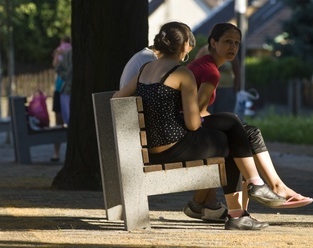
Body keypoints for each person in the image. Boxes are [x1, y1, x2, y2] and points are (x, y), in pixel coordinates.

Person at [113, 21, 286, 230]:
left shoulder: (144, 69)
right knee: (230, 139)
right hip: (172, 146)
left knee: (230, 122)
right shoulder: (181, 73)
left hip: (149, 147)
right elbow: (193, 124)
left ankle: (250, 191)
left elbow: (117, 97)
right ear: (185, 45)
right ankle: (245, 201)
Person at [185, 23, 312, 215]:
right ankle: (267, 192)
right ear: (213, 42)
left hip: (178, 129)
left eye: (236, 43)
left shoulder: (204, 64)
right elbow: (198, 112)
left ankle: (204, 205)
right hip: (185, 134)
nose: (233, 47)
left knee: (242, 135)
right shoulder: (210, 70)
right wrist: (228, 127)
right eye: (227, 41)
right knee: (243, 136)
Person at [194, 44, 240, 113]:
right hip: (207, 89)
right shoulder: (205, 50)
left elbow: (237, 70)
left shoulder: (229, 51)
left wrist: (235, 89)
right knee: (207, 116)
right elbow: (196, 68)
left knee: (224, 117)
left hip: (226, 90)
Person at [50, 36, 72, 162]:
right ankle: (56, 153)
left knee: (60, 121)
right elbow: (56, 66)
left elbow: (55, 66)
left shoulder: (66, 53)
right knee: (58, 121)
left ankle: (57, 153)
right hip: (60, 89)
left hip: (63, 90)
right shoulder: (62, 53)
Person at [58, 48, 73, 125]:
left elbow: (58, 68)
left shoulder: (66, 54)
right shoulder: (67, 54)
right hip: (67, 89)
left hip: (66, 88)